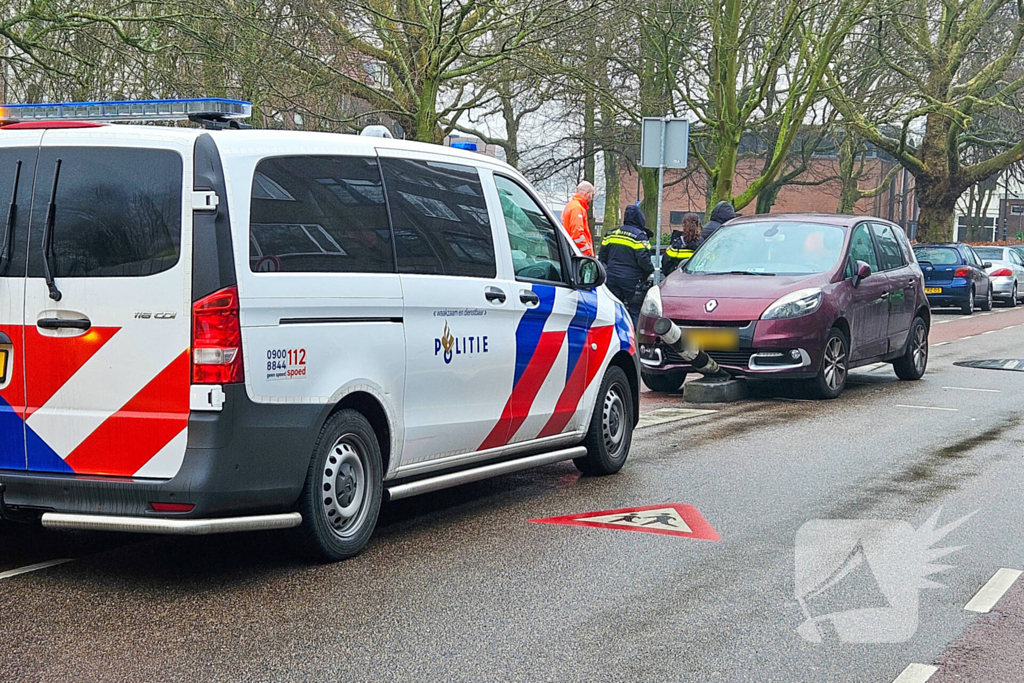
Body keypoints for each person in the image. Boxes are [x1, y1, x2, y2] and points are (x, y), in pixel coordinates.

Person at [599, 204, 654, 324]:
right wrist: (650, 271)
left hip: (612, 278)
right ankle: (633, 338)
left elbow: (602, 256)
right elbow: (643, 259)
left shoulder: (611, 233)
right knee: (634, 311)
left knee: (613, 311)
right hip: (632, 281)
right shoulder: (639, 236)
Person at [561, 181, 596, 256]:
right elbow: (577, 235)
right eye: (591, 195)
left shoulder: (571, 205)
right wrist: (588, 252)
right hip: (577, 253)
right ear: (587, 193)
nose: (591, 198)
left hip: (570, 250)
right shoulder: (577, 208)